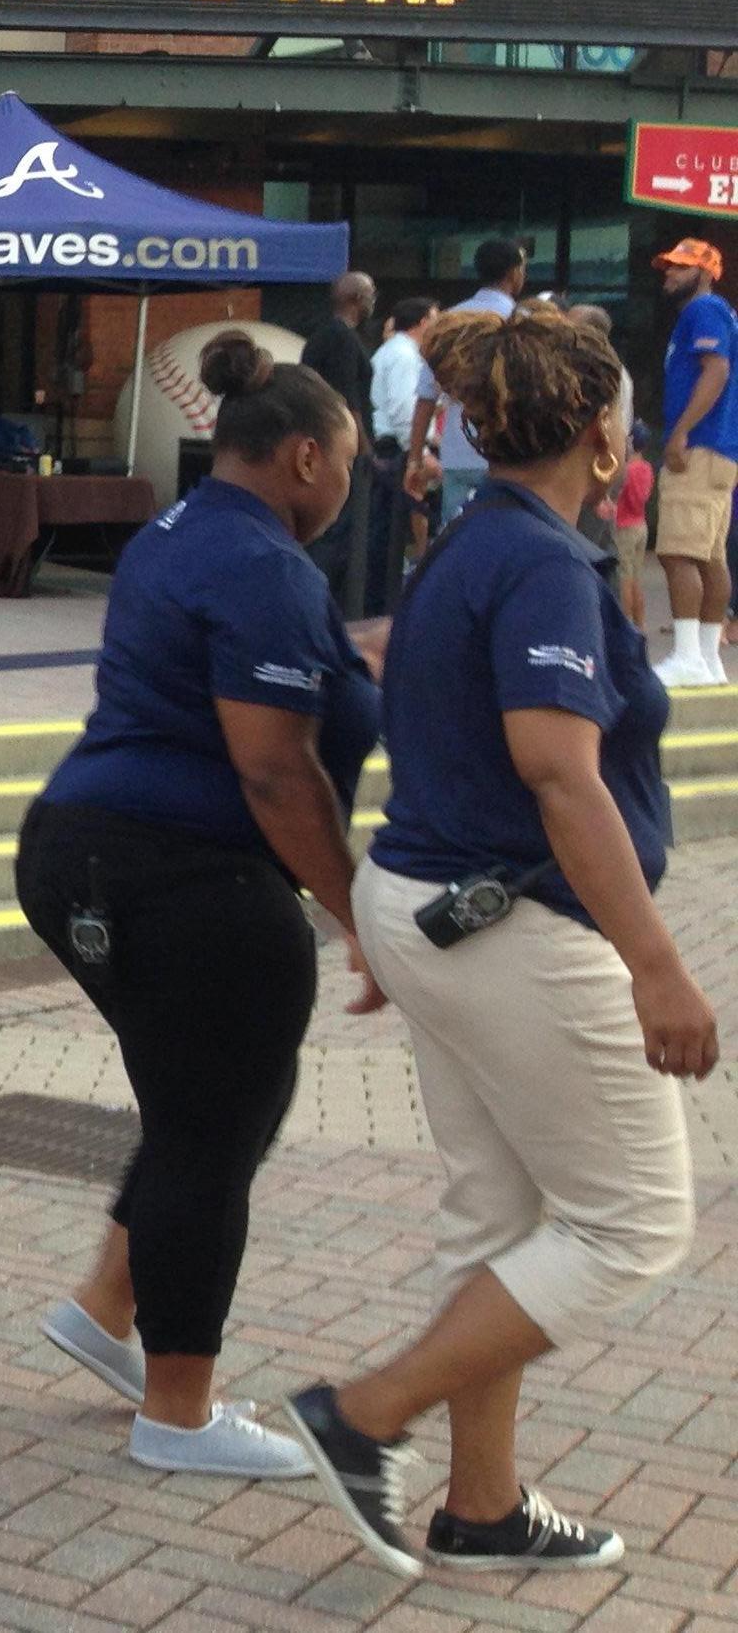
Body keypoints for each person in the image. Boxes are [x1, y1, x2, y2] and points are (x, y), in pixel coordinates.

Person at [287, 300, 713, 1578]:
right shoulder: (537, 564)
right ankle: (362, 1414)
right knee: (635, 1224)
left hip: (434, 906)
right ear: (600, 437)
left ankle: (482, 1505)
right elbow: (560, 775)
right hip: (510, 923)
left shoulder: (473, 545)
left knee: (504, 1218)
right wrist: (661, 967)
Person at [19, 335, 377, 1479]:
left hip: (80, 846)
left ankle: (107, 1307)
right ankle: (179, 1414)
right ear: (308, 458)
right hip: (187, 877)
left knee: (202, 1116)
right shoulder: (267, 568)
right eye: (351, 467)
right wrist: (356, 909)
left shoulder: (178, 536)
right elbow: (274, 770)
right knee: (213, 1136)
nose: (349, 489)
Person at [650, 237, 737, 687]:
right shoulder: (716, 312)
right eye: (668, 266)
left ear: (704, 272)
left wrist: (682, 430)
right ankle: (706, 659)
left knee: (677, 552)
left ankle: (688, 657)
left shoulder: (703, 311)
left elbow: (716, 369)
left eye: (680, 267)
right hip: (719, 447)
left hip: (699, 445)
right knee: (709, 558)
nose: (670, 273)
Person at [409, 239, 527, 532]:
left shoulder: (449, 322)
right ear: (514, 273)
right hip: (510, 454)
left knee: (456, 537)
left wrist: (414, 459)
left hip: (458, 453)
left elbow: (426, 396)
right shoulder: (524, 323)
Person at [303, 271, 376, 602]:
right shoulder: (342, 339)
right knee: (336, 531)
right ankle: (324, 599)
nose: (374, 300)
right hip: (338, 447)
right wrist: (364, 448)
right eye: (371, 293)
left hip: (325, 441)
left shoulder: (324, 335)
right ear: (357, 299)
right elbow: (348, 398)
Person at [371, 297, 438, 592]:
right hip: (395, 450)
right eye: (436, 318)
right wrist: (419, 454)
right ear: (423, 321)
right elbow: (403, 412)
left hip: (395, 447)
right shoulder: (404, 356)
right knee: (392, 528)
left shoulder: (393, 352)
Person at [612, 443, 654, 631]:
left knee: (624, 578)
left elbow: (622, 494)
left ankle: (625, 623)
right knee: (636, 577)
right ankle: (641, 622)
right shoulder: (647, 468)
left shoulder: (625, 470)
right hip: (640, 524)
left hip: (624, 525)